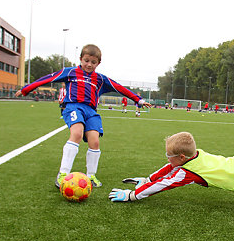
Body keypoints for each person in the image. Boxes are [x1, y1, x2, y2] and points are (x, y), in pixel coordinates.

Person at [15, 44, 152, 188]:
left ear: (98, 63)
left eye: (93, 62)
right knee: (77, 133)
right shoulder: (70, 72)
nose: (89, 64)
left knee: (95, 142)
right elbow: (47, 78)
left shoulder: (100, 79)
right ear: (80, 59)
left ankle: (91, 176)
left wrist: (139, 99)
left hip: (91, 112)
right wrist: (26, 89)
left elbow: (119, 88)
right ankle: (63, 174)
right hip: (73, 106)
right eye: (86, 60)